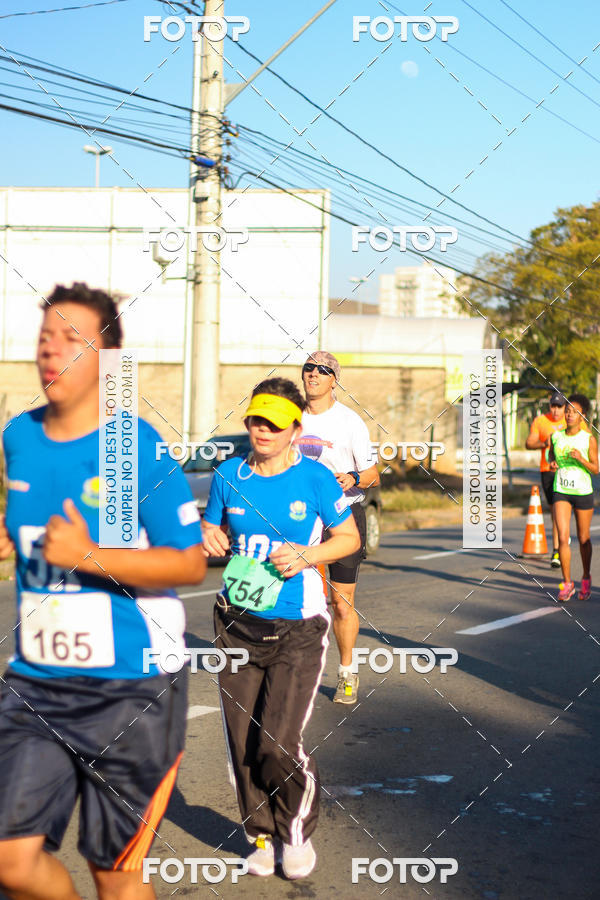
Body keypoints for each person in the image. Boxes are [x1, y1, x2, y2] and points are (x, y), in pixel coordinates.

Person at [0, 283, 206, 900]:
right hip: (36, 680)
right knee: (10, 862)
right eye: (45, 338)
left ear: (107, 357)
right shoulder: (19, 436)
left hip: (131, 688)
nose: (51, 350)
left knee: (115, 875)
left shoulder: (132, 447)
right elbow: (30, 527)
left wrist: (88, 555)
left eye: (72, 339)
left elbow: (188, 562)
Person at [201, 377, 359, 880]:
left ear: (295, 429)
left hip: (298, 627)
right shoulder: (228, 474)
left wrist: (309, 554)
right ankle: (262, 837)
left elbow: (349, 538)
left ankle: (295, 831)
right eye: (256, 420)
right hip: (237, 623)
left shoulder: (315, 478)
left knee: (276, 743)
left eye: (273, 423)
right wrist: (207, 533)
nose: (262, 430)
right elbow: (213, 528)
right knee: (241, 742)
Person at [296, 351, 379, 705]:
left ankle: (347, 671)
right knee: (301, 602)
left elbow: (374, 474)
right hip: (301, 518)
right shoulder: (292, 417)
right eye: (308, 367)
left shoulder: (349, 422)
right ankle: (295, 673)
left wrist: (353, 477)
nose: (313, 373)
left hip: (343, 516)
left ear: (334, 380)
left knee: (341, 605)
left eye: (322, 370)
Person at [548, 393, 598, 602]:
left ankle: (585, 576)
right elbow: (551, 454)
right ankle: (567, 584)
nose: (569, 415)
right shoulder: (556, 436)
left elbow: (596, 469)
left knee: (584, 539)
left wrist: (581, 459)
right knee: (562, 537)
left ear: (582, 416)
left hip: (583, 492)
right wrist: (552, 463)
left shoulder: (588, 439)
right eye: (567, 411)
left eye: (574, 412)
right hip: (561, 490)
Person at [525, 392, 567, 567]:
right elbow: (529, 443)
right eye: (553, 406)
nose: (556, 410)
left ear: (565, 408)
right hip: (548, 471)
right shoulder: (541, 421)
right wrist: (545, 443)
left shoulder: (571, 420)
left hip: (567, 471)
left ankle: (557, 550)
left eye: (560, 407)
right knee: (554, 511)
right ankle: (561, 539)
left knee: (559, 510)